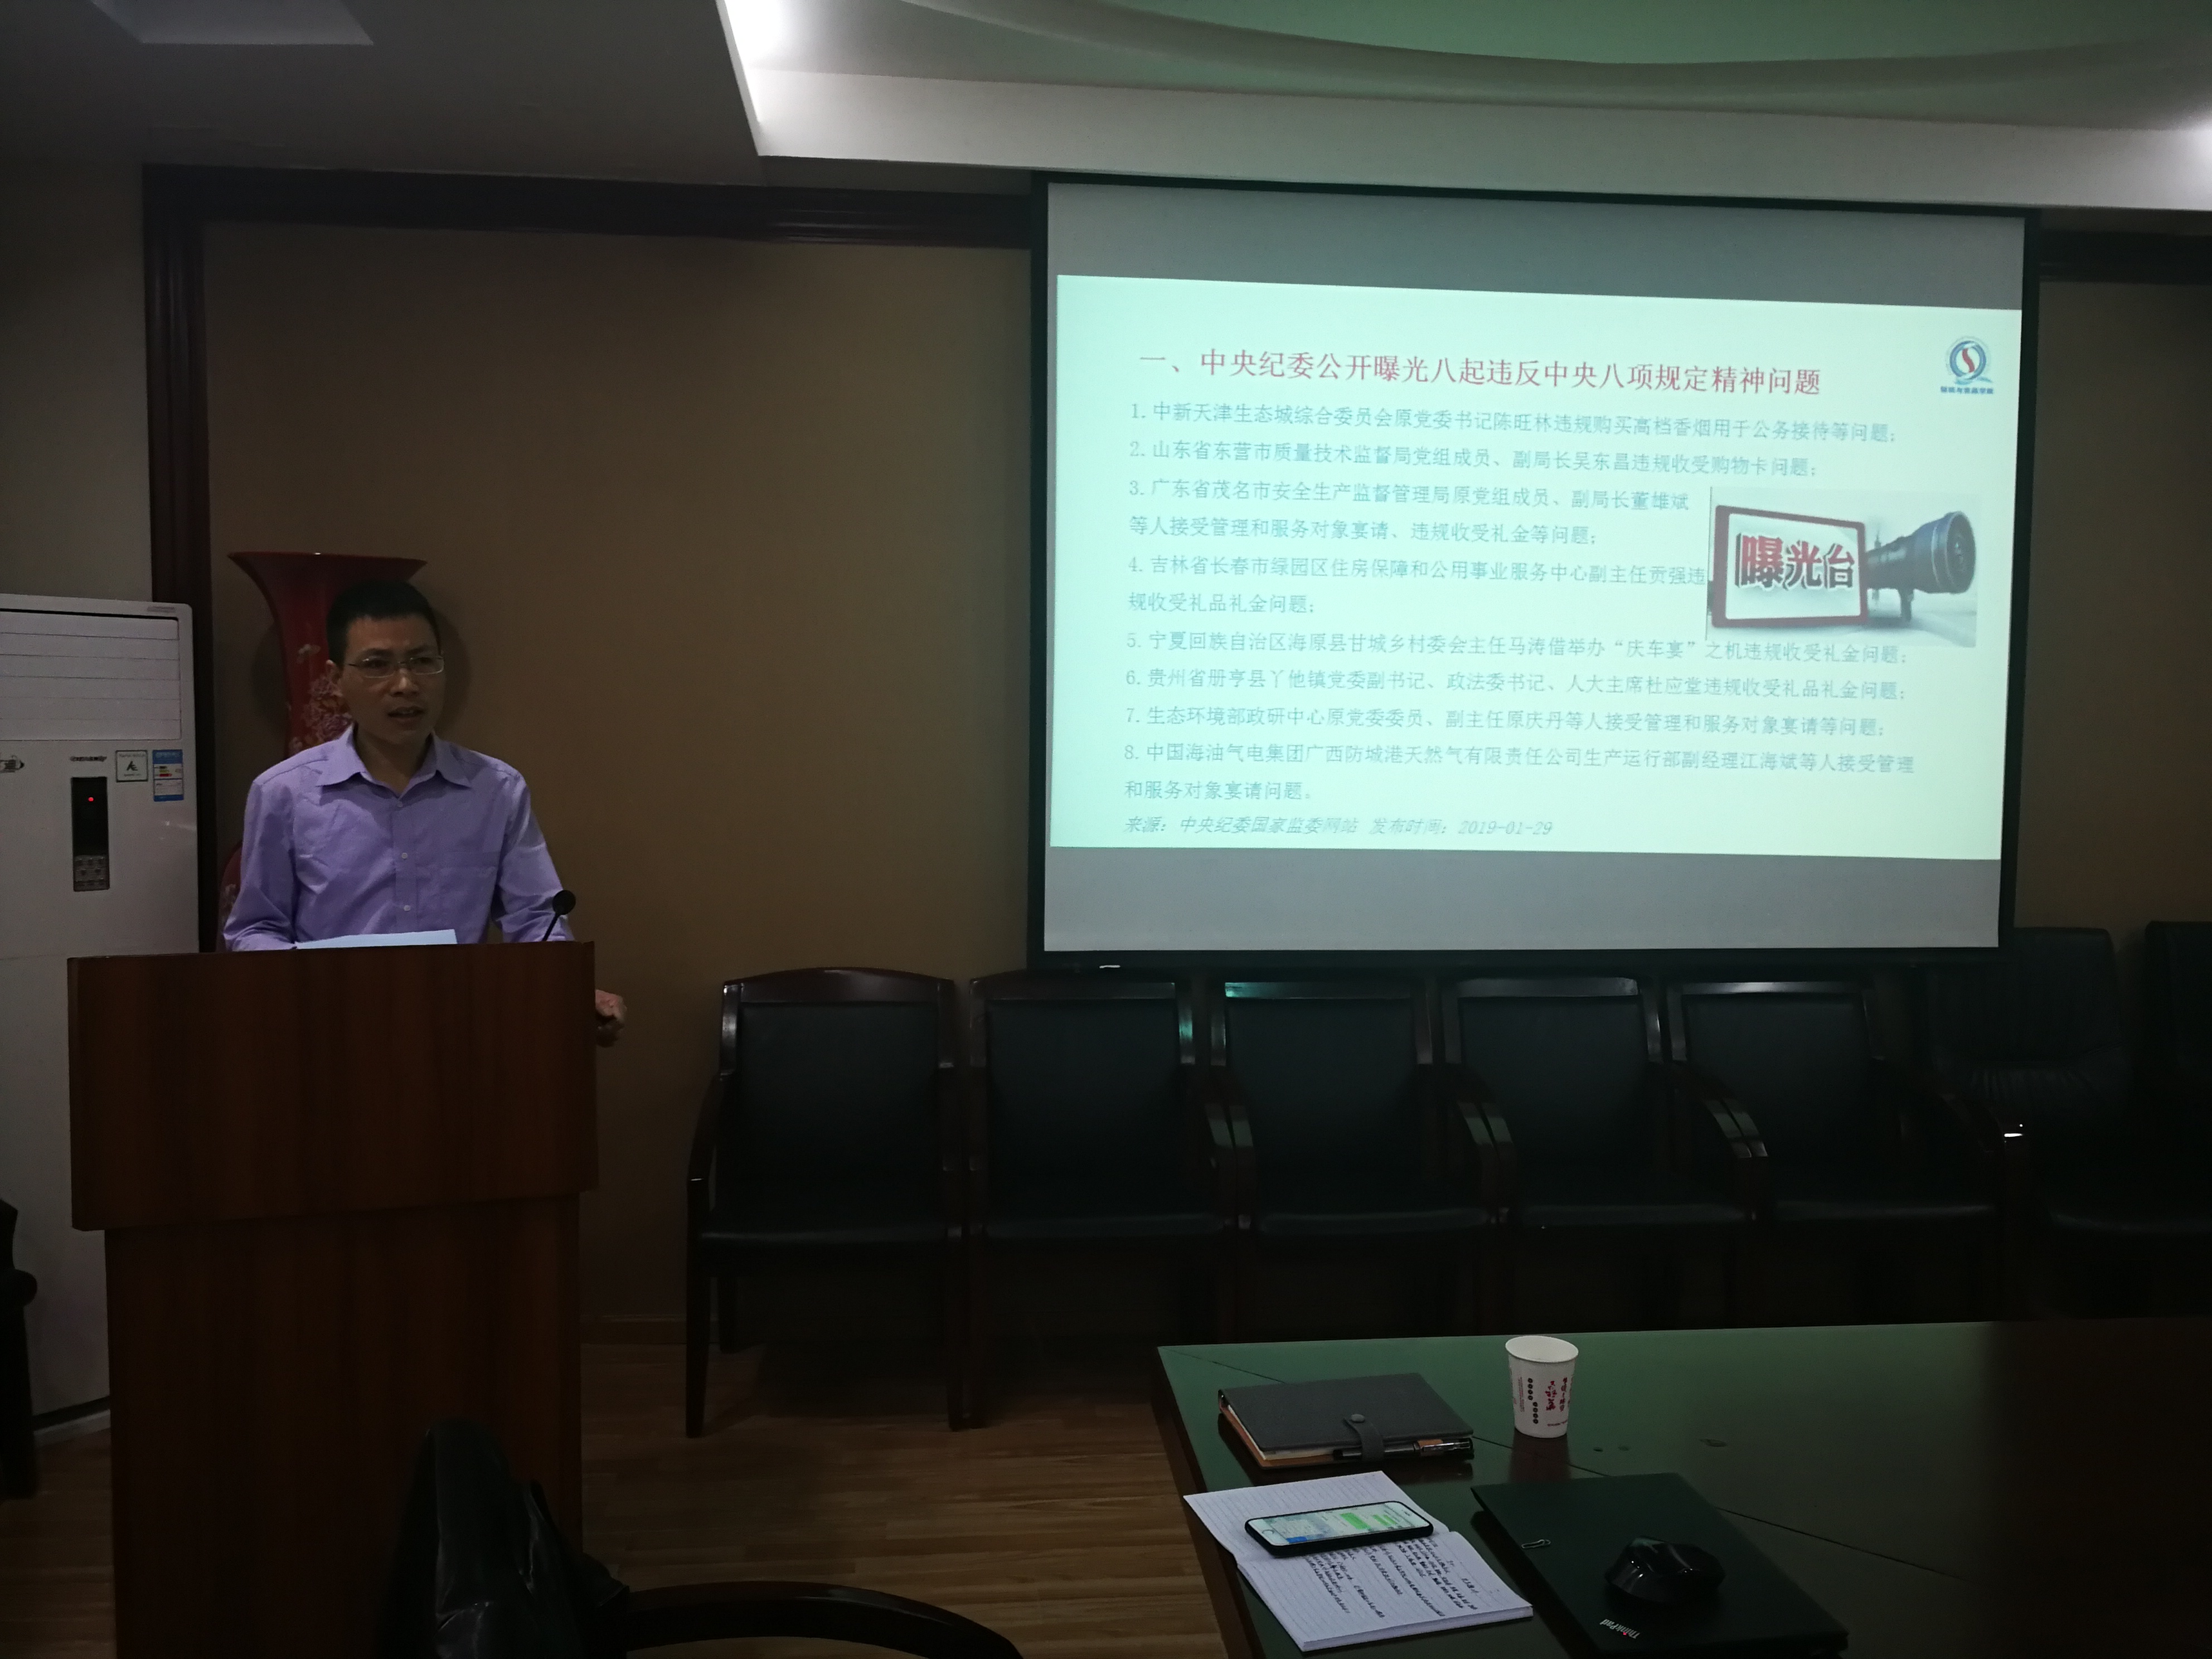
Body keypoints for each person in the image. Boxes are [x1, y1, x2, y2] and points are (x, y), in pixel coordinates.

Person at [224, 578, 627, 1046]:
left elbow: (537, 919)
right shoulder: (284, 793)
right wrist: (312, 985)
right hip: (330, 1035)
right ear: (335, 680)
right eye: (377, 665)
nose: (405, 685)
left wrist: (568, 991)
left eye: (422, 661)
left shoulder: (495, 789)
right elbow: (257, 928)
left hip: (459, 1033)